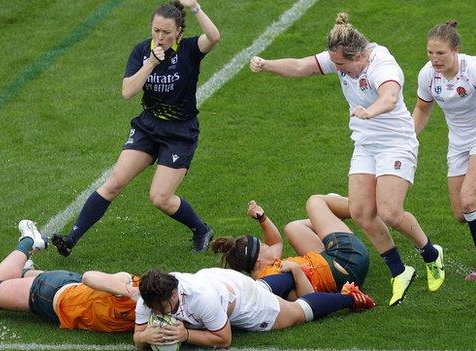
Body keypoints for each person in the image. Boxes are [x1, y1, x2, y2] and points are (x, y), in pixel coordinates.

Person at [248, 12, 445, 305]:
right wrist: (267, 65)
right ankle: (399, 271)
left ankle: (431, 253)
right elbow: (302, 66)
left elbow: (390, 96)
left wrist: (370, 111)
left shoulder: (382, 64)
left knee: (390, 211)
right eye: (334, 64)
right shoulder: (341, 58)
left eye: (341, 65)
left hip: (395, 142)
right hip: (365, 143)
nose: (337, 69)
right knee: (362, 211)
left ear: (360, 55)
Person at [52, 0, 220, 256]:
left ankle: (201, 229)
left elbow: (214, 37)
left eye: (166, 32)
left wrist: (195, 6)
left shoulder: (188, 49)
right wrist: (150, 63)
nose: (160, 37)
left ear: (178, 32)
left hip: (179, 134)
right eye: (155, 30)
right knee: (114, 183)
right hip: (149, 127)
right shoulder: (142, 51)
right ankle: (70, 240)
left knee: (161, 198)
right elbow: (128, 92)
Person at [133, 268, 374, 349]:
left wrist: (185, 335)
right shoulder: (149, 298)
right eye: (154, 308)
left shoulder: (201, 298)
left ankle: (349, 298)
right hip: (220, 281)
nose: (159, 312)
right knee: (260, 287)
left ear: (174, 293)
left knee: (296, 314)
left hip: (245, 302)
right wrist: (145, 337)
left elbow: (224, 339)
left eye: (163, 307)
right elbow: (137, 336)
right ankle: (290, 275)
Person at [0, 220, 139, 332]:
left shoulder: (156, 311)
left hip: (71, 288)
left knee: (14, 277)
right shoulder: (135, 289)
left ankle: (25, 271)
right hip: (52, 293)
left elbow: (140, 338)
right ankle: (30, 241)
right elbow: (89, 277)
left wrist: (145, 336)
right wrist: (129, 291)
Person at [412, 21, 476, 282]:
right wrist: (405, 139)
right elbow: (422, 109)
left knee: (470, 199)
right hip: (458, 143)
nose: (434, 59)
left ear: (456, 50)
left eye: (441, 53)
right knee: (461, 214)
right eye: (430, 53)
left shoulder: (472, 69)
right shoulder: (428, 75)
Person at [211, 194, 369, 299]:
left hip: (336, 265)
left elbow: (276, 243)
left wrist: (262, 218)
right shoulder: (274, 280)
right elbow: (307, 301)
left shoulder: (263, 268)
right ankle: (363, 210)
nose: (267, 245)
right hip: (348, 259)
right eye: (263, 245)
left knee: (292, 228)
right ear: (258, 261)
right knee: (315, 201)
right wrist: (296, 270)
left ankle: (330, 215)